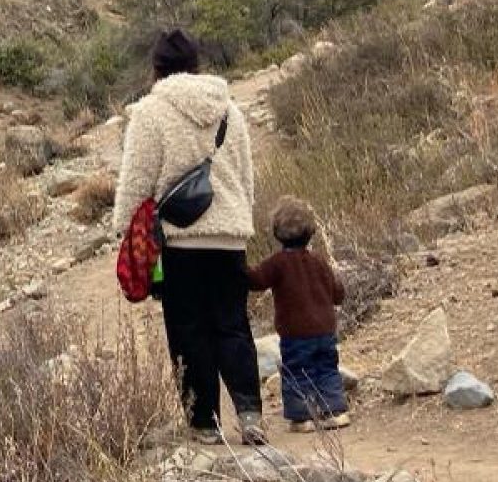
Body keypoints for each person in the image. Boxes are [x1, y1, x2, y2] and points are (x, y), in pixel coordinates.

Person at [112, 28, 264, 446]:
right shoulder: (230, 110)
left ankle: (204, 424)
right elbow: (246, 178)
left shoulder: (149, 112)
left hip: (180, 241)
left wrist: (125, 229)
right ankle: (251, 415)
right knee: (234, 326)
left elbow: (137, 179)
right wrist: (239, 219)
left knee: (188, 331)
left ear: (157, 68)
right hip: (230, 237)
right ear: (196, 65)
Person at [247, 198, 349, 433]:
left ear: (276, 233)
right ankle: (335, 412)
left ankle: (302, 418)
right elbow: (338, 293)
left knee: (297, 371)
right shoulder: (319, 261)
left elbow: (257, 280)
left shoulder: (277, 263)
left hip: (296, 333)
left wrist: (238, 267)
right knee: (327, 369)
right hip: (325, 331)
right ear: (311, 232)